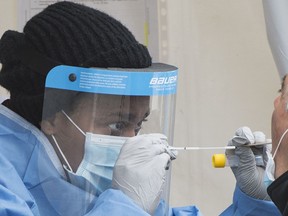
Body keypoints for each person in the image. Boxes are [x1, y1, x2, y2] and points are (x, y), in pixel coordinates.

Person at [0, 1, 281, 216]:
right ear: (52, 114)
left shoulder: (81, 172)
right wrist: (127, 205)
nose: (131, 145)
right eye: (116, 126)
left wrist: (256, 201)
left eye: (139, 125)